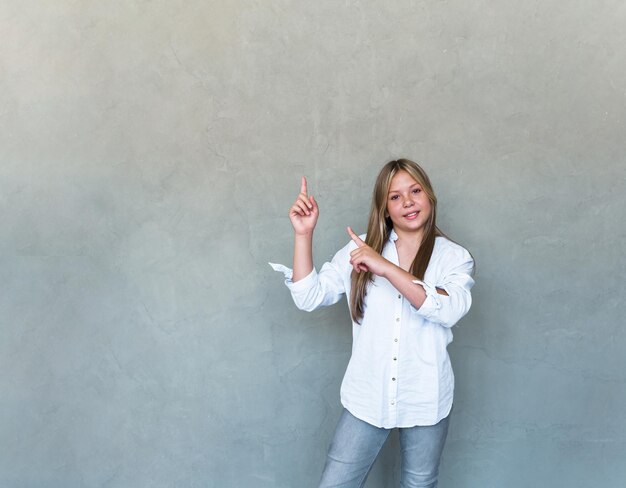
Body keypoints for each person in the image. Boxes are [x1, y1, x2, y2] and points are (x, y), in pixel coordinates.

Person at [269, 159, 475, 488]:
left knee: (420, 485)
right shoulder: (359, 249)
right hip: (367, 395)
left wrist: (385, 267)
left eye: (415, 191)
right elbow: (309, 297)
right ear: (385, 208)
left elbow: (448, 309)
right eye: (395, 197)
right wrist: (303, 235)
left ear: (430, 196)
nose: (407, 202)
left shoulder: (453, 257)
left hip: (424, 395)